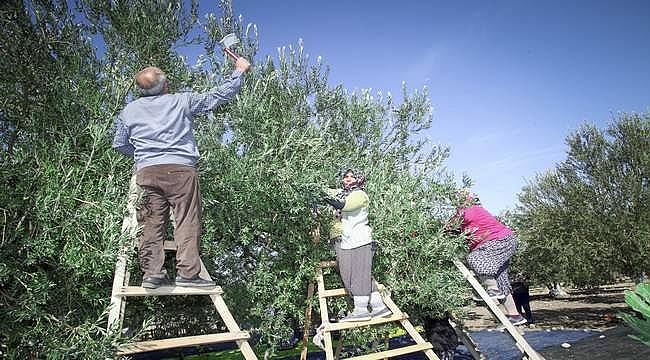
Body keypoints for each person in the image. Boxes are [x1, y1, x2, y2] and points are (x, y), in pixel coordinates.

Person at [112, 57, 251, 289]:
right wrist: (239, 71)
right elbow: (217, 96)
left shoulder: (128, 111)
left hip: (146, 173)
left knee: (150, 223)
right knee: (186, 220)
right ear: (165, 86)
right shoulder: (182, 101)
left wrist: (144, 155)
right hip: (180, 171)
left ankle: (151, 274)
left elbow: (119, 144)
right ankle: (188, 274)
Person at [448, 190, 527, 326]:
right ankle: (514, 315)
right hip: (502, 241)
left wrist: (441, 230)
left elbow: (452, 225)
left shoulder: (469, 209)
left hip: (499, 241)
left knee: (475, 258)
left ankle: (492, 288)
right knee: (501, 279)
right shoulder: (467, 211)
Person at [323, 169, 391, 322]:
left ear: (359, 179)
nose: (347, 179)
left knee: (356, 276)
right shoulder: (343, 192)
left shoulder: (359, 194)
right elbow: (329, 192)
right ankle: (378, 306)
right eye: (345, 176)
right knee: (356, 275)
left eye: (351, 177)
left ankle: (361, 311)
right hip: (346, 240)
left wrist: (324, 196)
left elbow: (344, 205)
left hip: (359, 239)